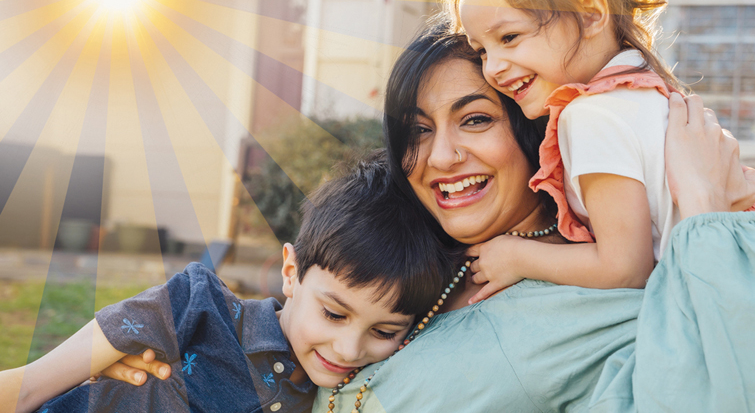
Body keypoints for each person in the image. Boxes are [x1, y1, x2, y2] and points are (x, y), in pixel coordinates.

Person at [94, 23, 755, 412]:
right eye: (417, 128)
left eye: (476, 118)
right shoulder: (417, 265)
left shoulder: (603, 287)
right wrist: (173, 360)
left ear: (535, 138)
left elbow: (746, 385)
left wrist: (708, 218)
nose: (441, 156)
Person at [440, 0, 755, 298]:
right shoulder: (641, 90)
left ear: (590, 14)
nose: (493, 67)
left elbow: (624, 267)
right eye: (482, 50)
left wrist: (517, 257)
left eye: (510, 37)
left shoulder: (592, 116)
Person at [0, 154, 455, 413]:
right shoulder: (198, 307)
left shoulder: (338, 397)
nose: (349, 349)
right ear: (291, 272)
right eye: (333, 313)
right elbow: (27, 389)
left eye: (384, 331)